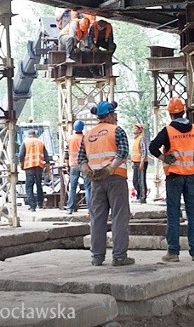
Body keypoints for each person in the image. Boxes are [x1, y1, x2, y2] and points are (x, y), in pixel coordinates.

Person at [149, 97, 194, 263]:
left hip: (174, 177)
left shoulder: (168, 131)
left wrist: (164, 158)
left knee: (173, 214)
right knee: (192, 214)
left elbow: (152, 147)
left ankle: (173, 252)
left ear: (171, 114)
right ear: (184, 111)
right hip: (191, 176)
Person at [78, 100, 134, 266]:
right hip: (115, 178)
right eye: (114, 114)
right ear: (109, 115)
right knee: (119, 217)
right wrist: (110, 168)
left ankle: (97, 256)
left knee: (97, 218)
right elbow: (123, 152)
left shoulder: (88, 135)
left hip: (96, 181)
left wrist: (89, 172)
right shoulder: (116, 130)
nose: (115, 117)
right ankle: (119, 256)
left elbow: (81, 159)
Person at [18, 129, 50, 212]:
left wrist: (21, 165)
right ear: (35, 134)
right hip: (39, 166)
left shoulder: (25, 142)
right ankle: (40, 203)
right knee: (39, 185)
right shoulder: (41, 142)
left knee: (29, 186)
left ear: (28, 135)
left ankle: (32, 206)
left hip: (29, 167)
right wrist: (47, 168)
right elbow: (46, 157)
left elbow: (21, 156)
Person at [65, 120, 92, 214]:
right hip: (85, 164)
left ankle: (70, 208)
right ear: (82, 128)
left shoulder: (70, 139)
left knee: (72, 187)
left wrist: (66, 163)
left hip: (73, 165)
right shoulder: (86, 138)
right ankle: (90, 209)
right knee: (88, 187)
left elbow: (66, 153)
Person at [131, 122, 148, 203]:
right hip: (135, 162)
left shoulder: (141, 138)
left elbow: (144, 151)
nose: (134, 130)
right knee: (135, 180)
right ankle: (138, 195)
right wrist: (132, 162)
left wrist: (142, 162)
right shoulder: (135, 139)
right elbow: (134, 151)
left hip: (142, 162)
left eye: (136, 128)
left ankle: (143, 197)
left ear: (140, 130)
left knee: (141, 180)